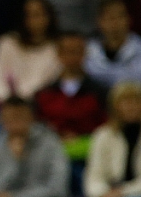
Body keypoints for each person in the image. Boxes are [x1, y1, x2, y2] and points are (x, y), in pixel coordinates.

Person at [34, 33, 109, 161]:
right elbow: (38, 126)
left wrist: (81, 138)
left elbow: (106, 128)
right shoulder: (44, 93)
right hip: (50, 154)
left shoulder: (100, 92)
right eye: (67, 52)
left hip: (90, 155)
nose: (72, 57)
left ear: (84, 54)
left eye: (76, 52)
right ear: (58, 54)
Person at [0, 0, 62, 103]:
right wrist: (6, 99)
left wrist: (22, 101)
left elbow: (47, 80)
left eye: (38, 14)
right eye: (28, 15)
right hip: (5, 103)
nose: (33, 20)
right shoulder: (7, 42)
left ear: (50, 17)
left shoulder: (58, 46)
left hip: (38, 103)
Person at [84, 0, 141, 89]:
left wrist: (103, 76)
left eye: (120, 17)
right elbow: (86, 80)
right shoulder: (86, 49)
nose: (115, 23)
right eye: (110, 18)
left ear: (129, 19)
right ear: (99, 21)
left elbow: (140, 80)